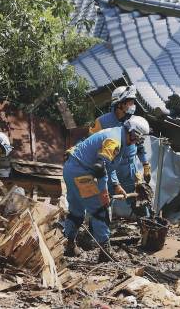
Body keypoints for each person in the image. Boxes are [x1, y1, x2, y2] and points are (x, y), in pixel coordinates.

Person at [62, 116, 151, 261]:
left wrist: (116, 186)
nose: (136, 142)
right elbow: (99, 168)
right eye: (137, 138)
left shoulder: (118, 134)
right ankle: (105, 252)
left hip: (71, 169)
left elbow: (110, 165)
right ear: (133, 133)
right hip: (81, 173)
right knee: (99, 211)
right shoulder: (114, 141)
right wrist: (103, 192)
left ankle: (69, 245)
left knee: (76, 211)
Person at [90, 86, 152, 187]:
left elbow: (139, 146)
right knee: (109, 199)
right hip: (110, 171)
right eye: (130, 102)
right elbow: (90, 144)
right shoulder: (101, 122)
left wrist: (145, 165)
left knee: (137, 199)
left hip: (131, 171)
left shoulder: (134, 122)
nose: (134, 105)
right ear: (120, 104)